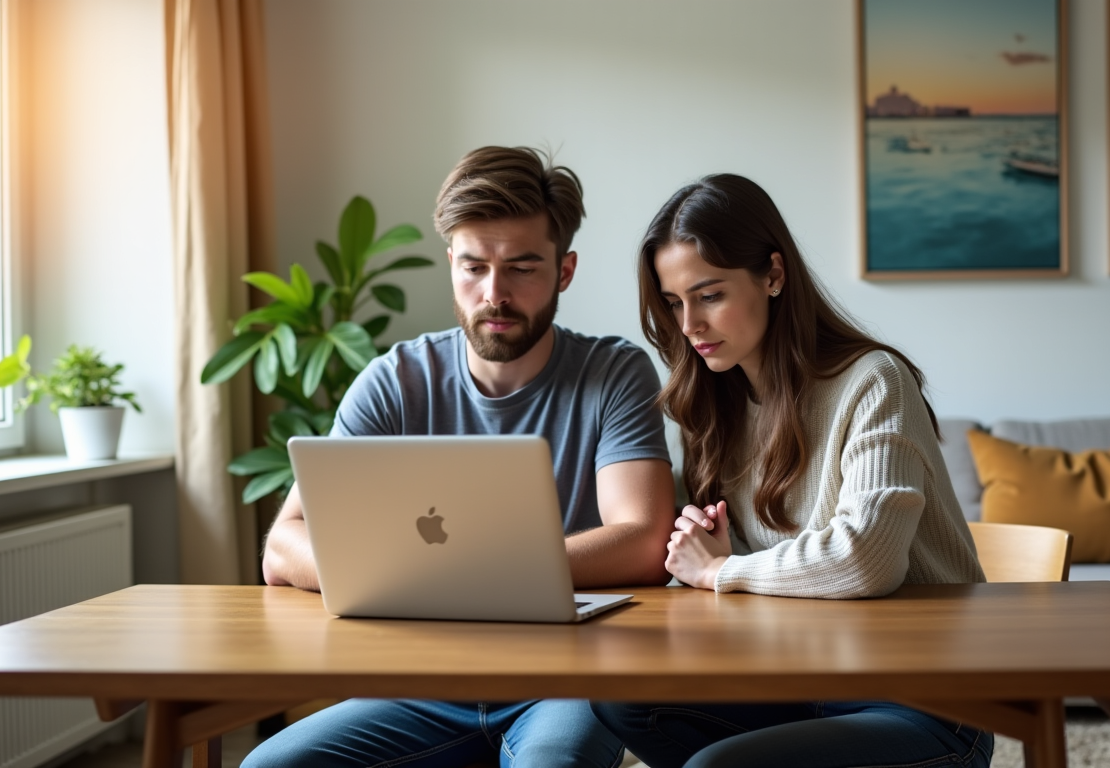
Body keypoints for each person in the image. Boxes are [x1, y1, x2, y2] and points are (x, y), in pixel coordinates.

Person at [243, 146, 676, 768]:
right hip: (421, 686)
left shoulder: (613, 373)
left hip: (565, 686)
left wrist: (459, 575)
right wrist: (435, 579)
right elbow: (283, 546)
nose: (493, 294)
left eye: (523, 268)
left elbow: (642, 539)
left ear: (565, 270)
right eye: (473, 267)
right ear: (451, 263)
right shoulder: (395, 380)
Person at [590, 174, 993, 768]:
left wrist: (727, 567)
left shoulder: (873, 381)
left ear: (774, 275)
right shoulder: (718, 405)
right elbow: (703, 570)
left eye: (709, 295)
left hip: (922, 696)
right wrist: (709, 550)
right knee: (623, 703)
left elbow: (866, 558)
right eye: (674, 303)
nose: (688, 326)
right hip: (803, 682)